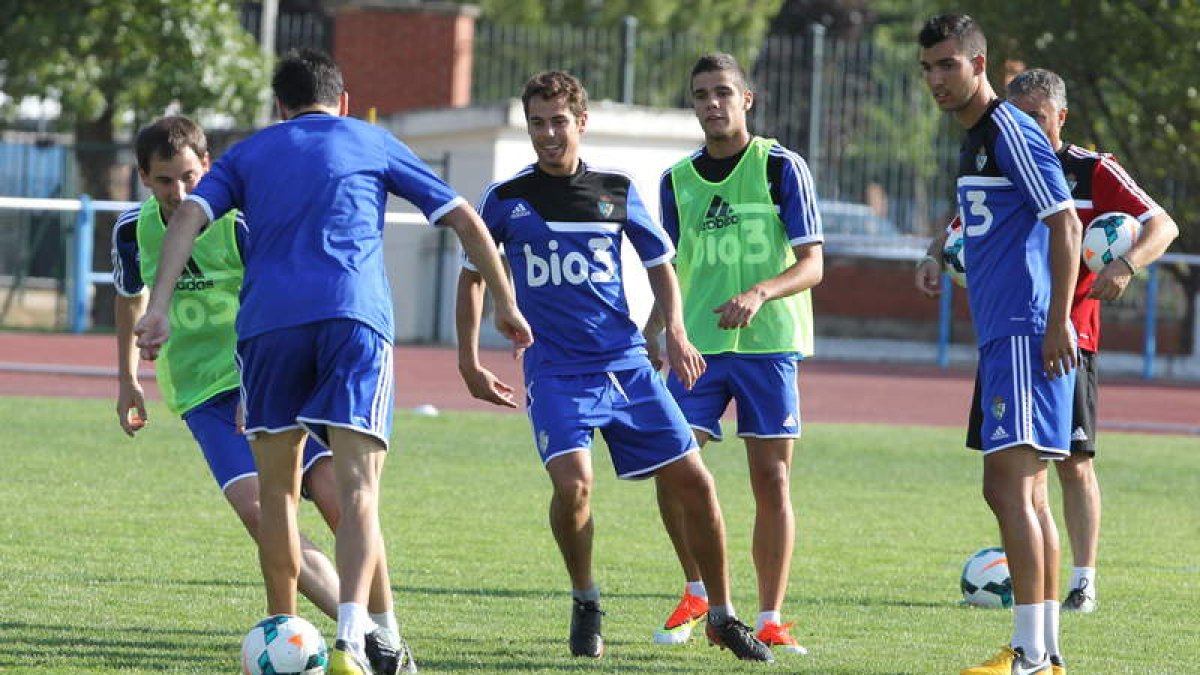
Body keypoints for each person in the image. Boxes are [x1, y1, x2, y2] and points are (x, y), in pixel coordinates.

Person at [133, 50, 531, 675]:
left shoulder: (248, 153)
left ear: (279, 108)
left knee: (277, 497)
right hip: (352, 319)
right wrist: (503, 304)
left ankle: (285, 632)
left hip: (267, 331)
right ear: (343, 102)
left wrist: (156, 308)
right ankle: (360, 639)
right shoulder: (370, 139)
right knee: (357, 489)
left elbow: (187, 213)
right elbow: (463, 218)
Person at [455, 70, 772, 663]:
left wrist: (673, 329)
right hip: (555, 371)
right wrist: (469, 359)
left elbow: (659, 264)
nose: (548, 135)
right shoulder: (505, 199)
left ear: (581, 122)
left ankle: (723, 616)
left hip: (626, 366)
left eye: (558, 122)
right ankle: (586, 599)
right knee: (574, 487)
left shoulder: (615, 189)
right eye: (537, 123)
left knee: (697, 482)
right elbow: (473, 276)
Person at [916, 68, 1180, 617]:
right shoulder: (1001, 152)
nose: (1025, 125)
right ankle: (1034, 604)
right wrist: (934, 252)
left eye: (1038, 116)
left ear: (1061, 118)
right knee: (1015, 479)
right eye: (1019, 114)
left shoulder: (1092, 169)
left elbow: (1163, 225)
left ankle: (1081, 583)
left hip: (1067, 336)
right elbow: (967, 214)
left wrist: (1128, 264)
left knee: (1071, 463)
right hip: (1007, 335)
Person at [918, 16, 1086, 675]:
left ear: (978, 63)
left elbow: (1066, 223)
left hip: (1024, 330)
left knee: (1009, 489)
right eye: (927, 68)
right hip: (1005, 333)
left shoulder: (1011, 130)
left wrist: (1055, 324)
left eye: (947, 66)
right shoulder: (976, 138)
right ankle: (1042, 653)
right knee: (1025, 494)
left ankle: (1029, 653)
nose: (936, 79)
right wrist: (939, 251)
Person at [644, 52, 823, 656]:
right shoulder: (676, 181)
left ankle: (770, 616)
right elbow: (669, 266)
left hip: (768, 345)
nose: (712, 103)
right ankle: (698, 592)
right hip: (696, 346)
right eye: (700, 95)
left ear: (747, 99)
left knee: (771, 481)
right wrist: (656, 329)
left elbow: (812, 263)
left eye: (723, 92)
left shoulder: (780, 167)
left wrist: (760, 291)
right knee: (674, 469)